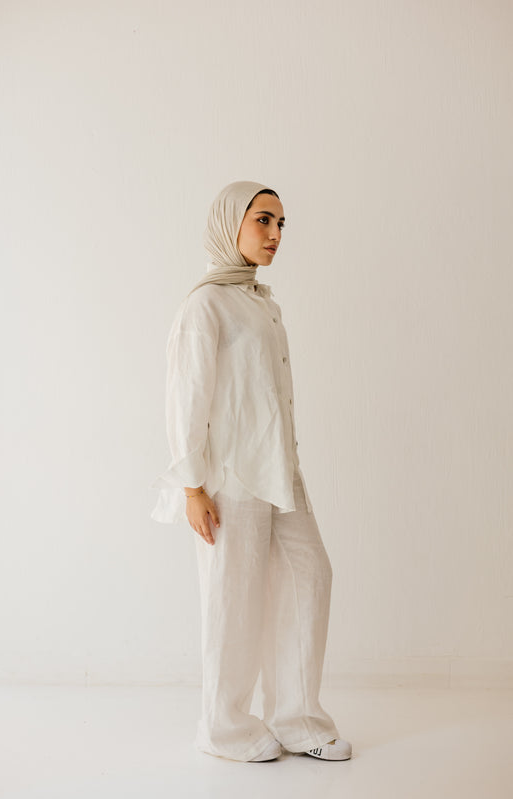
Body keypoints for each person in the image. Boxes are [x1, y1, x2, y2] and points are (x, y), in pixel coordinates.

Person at [149, 180, 352, 763]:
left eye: (281, 223)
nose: (275, 233)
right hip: (230, 480)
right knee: (231, 600)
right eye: (263, 219)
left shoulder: (262, 302)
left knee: (310, 577)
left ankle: (298, 720)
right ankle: (225, 729)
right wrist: (192, 487)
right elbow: (186, 401)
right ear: (229, 224)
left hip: (280, 473)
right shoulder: (205, 305)